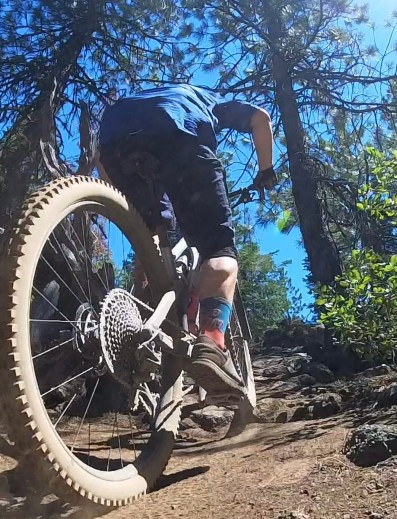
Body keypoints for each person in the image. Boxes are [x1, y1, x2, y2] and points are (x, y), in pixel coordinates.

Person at [97, 83, 277, 397]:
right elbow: (260, 118)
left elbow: (100, 160)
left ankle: (142, 298)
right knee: (217, 246)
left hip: (114, 145)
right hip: (178, 135)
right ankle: (210, 341)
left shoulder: (137, 99)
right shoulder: (205, 97)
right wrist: (266, 171)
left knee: (154, 232)